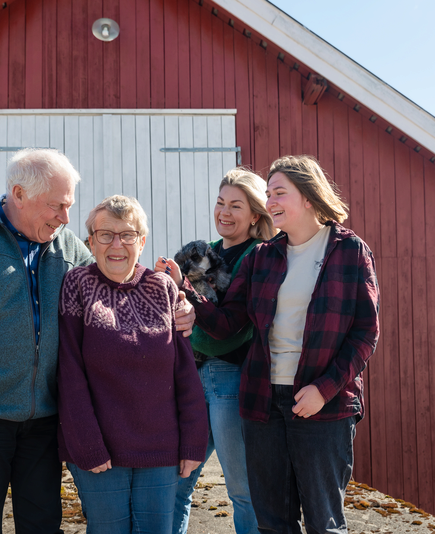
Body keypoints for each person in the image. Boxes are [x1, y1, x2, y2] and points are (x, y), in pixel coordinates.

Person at [0, 149, 196, 534]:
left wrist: (175, 298)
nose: (65, 218)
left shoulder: (66, 246)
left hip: (44, 418)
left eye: (69, 206)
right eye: (57, 206)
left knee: (43, 524)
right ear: (19, 194)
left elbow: (116, 274)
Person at [161, 155, 380, 534]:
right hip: (262, 402)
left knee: (322, 523)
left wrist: (323, 390)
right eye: (269, 193)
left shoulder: (349, 250)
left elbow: (365, 333)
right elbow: (229, 321)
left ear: (309, 198)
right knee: (272, 523)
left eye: (279, 193)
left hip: (321, 407)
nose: (271, 201)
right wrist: (188, 295)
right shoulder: (263, 256)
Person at [57, 195, 209, 534]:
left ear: (142, 242)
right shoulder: (77, 284)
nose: (117, 244)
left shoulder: (163, 288)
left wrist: (194, 440)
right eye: (106, 234)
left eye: (127, 234)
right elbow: (69, 372)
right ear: (91, 242)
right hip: (101, 451)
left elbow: (184, 372)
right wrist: (87, 444)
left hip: (161, 447)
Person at [157, 168, 276, 534]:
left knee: (242, 489)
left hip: (231, 378)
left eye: (236, 205)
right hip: (193, 377)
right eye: (221, 202)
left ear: (255, 214)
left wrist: (183, 290)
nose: (224, 211)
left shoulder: (258, 256)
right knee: (176, 483)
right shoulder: (204, 252)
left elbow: (229, 329)